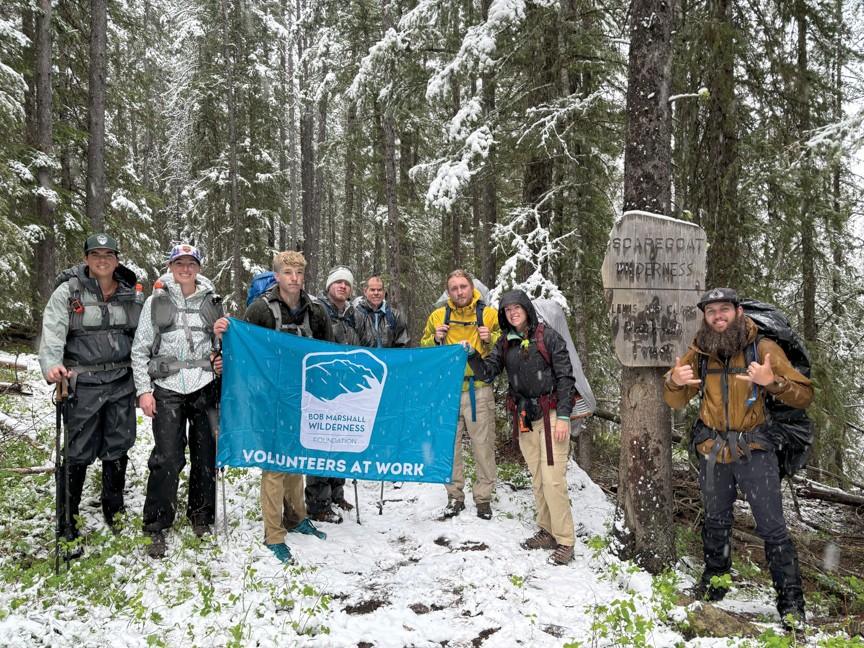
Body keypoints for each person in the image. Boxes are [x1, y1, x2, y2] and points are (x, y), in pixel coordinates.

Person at [664, 287, 812, 627]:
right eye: (711, 310)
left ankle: (791, 603)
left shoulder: (763, 347)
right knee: (716, 519)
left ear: (738, 311)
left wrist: (773, 381)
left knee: (773, 528)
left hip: (755, 451)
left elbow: (803, 394)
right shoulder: (699, 351)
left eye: (724, 309)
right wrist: (674, 381)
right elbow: (675, 400)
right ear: (705, 316)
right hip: (713, 452)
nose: (718, 315)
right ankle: (716, 582)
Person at [214, 251, 333, 564]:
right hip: (270, 398)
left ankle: (296, 517)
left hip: (302, 397)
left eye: (298, 273)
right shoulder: (261, 309)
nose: (293, 278)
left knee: (296, 460)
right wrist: (226, 333)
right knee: (275, 465)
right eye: (287, 272)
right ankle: (274, 533)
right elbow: (244, 348)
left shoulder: (316, 311)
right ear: (277, 276)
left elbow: (327, 352)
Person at [39, 233, 143, 553]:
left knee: (118, 446)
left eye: (108, 254)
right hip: (81, 383)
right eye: (95, 254)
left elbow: (143, 334)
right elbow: (53, 330)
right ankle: (67, 522)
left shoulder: (130, 293)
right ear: (85, 259)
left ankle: (114, 511)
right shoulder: (67, 292)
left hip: (121, 381)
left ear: (117, 259)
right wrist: (52, 365)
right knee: (77, 452)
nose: (102, 260)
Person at [465, 290, 577, 564]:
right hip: (525, 416)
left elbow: (565, 377)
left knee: (553, 479)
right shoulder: (506, 343)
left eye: (517, 307)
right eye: (507, 310)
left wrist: (563, 416)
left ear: (526, 308)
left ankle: (565, 540)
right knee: (538, 478)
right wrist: (472, 356)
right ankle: (547, 530)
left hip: (551, 415)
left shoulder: (547, 337)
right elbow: (488, 372)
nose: (513, 312)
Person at [131, 244, 224, 559]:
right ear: (171, 266)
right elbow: (141, 348)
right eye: (179, 263)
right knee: (167, 457)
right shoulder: (156, 301)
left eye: (191, 263)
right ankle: (156, 525)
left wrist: (220, 358)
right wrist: (144, 390)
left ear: (198, 267)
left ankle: (201, 515)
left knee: (205, 454)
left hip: (204, 384)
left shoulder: (213, 301)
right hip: (167, 386)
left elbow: (220, 343)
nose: (186, 269)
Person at [420, 269, 501, 520]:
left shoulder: (488, 315)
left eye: (463, 286)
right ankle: (454, 496)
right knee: (449, 447)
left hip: (479, 389)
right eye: (454, 288)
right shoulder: (437, 316)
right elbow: (424, 349)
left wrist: (490, 338)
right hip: (448, 392)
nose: (459, 292)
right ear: (448, 291)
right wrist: (435, 339)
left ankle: (484, 498)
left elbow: (503, 347)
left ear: (471, 287)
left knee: (483, 447)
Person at [304, 265, 374, 523]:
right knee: (321, 442)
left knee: (343, 440)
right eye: (338, 283)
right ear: (329, 286)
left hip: (350, 388)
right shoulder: (316, 310)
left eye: (347, 283)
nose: (342, 287)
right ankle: (317, 503)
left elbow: (367, 346)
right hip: (323, 387)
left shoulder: (356, 315)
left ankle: (336, 493)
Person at [354, 276, 410, 348]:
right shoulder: (356, 315)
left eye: (379, 290)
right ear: (365, 291)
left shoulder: (394, 316)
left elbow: (403, 345)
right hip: (363, 358)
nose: (376, 293)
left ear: (384, 292)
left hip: (388, 359)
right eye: (372, 290)